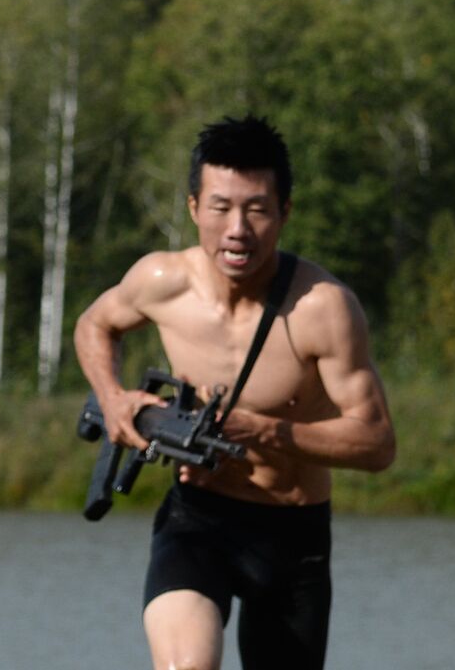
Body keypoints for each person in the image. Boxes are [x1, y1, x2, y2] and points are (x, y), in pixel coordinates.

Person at [75, 114, 395, 670]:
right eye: (220, 208)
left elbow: (376, 444)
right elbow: (93, 325)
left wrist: (261, 430)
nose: (237, 230)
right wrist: (113, 397)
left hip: (293, 538)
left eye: (257, 209)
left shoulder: (323, 307)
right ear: (194, 207)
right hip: (197, 522)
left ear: (285, 212)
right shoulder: (160, 281)